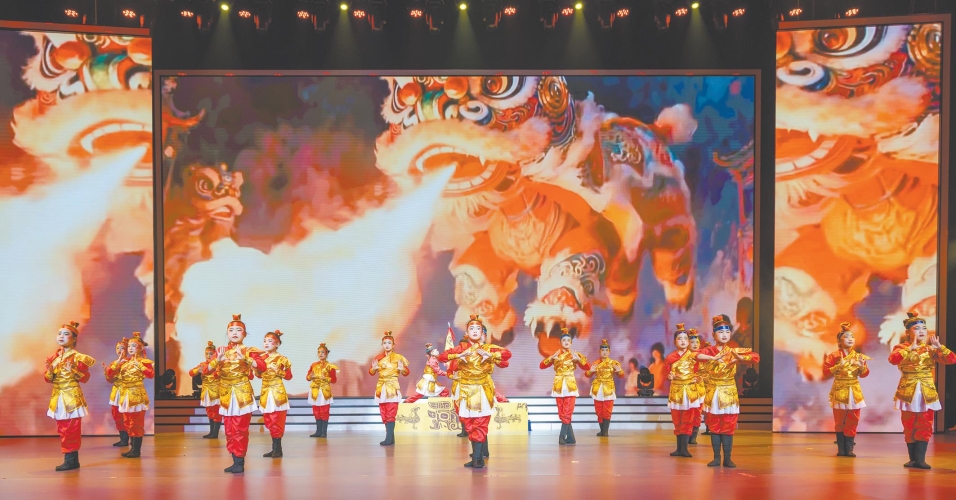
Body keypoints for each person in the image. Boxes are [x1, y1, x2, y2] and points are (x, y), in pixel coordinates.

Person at [438, 314, 512, 469]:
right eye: (472, 328)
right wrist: (459, 355)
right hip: (465, 391)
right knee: (469, 424)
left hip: (481, 389)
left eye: (478, 328)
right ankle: (476, 457)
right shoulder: (461, 349)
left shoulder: (487, 348)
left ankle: (478, 458)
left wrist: (491, 355)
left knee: (480, 423)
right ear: (467, 333)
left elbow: (507, 354)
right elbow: (442, 357)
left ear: (482, 332)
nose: (475, 331)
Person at [888, 311, 956, 469]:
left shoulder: (930, 349)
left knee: (925, 423)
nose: (921, 331)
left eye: (924, 328)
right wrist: (910, 349)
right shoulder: (901, 347)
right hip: (908, 390)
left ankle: (920, 459)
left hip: (926, 390)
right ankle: (912, 459)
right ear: (908, 332)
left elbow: (952, 359)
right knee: (909, 423)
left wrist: (940, 347)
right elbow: (893, 359)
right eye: (917, 328)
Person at [696, 315, 760, 468]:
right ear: (713, 335)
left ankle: (728, 458)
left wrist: (740, 359)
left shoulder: (732, 351)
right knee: (714, 426)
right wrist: (713, 359)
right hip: (714, 393)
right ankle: (716, 458)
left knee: (728, 426)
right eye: (720, 332)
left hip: (729, 393)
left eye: (727, 332)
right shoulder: (709, 351)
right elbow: (695, 355)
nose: (724, 335)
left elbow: (755, 357)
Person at [217, 314, 266, 473]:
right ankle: (235, 460)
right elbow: (210, 372)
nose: (235, 333)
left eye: (239, 330)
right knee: (229, 429)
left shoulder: (249, 351)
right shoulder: (221, 351)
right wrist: (217, 363)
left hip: (242, 393)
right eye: (231, 330)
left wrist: (246, 359)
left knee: (240, 429)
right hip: (226, 394)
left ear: (244, 334)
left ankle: (240, 461)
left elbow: (262, 366)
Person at [44, 321, 95, 471]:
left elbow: (85, 378)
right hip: (58, 396)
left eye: (66, 334)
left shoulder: (78, 357)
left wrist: (72, 371)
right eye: (59, 333)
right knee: (62, 429)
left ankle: (71, 460)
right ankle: (70, 460)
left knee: (71, 429)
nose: (61, 336)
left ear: (74, 339)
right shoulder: (54, 358)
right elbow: (48, 379)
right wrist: (50, 371)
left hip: (71, 396)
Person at [823, 322, 869, 458]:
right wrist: (838, 366)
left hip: (854, 390)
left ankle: (849, 449)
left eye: (852, 337)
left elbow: (864, 374)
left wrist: (862, 367)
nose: (850, 339)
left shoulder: (858, 356)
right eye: (846, 337)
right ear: (839, 341)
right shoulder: (833, 356)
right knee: (839, 420)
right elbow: (825, 372)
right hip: (839, 389)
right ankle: (841, 449)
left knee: (853, 419)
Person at [540, 328, 590, 445]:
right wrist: (550, 358)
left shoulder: (575, 355)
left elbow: (587, 367)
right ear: (560, 342)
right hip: (558, 386)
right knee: (562, 413)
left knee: (567, 412)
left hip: (570, 385)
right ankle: (571, 438)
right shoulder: (555, 355)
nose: (566, 342)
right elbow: (541, 366)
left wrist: (579, 360)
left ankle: (562, 436)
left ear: (571, 342)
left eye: (568, 340)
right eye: (564, 340)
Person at [109, 332, 154, 459]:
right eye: (129, 346)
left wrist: (140, 366)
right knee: (127, 422)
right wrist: (117, 362)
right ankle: (132, 448)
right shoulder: (125, 362)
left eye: (133, 346)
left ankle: (136, 450)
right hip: (125, 395)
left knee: (136, 422)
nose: (130, 348)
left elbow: (151, 375)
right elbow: (110, 374)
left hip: (137, 395)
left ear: (140, 348)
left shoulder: (145, 362)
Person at [665, 324, 702, 458]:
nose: (683, 341)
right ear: (674, 341)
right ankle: (678, 449)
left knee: (688, 419)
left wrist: (697, 378)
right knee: (677, 419)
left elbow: (701, 372)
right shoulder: (670, 358)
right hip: (676, 391)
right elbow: (667, 372)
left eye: (685, 338)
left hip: (689, 391)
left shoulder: (694, 356)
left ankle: (685, 449)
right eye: (679, 338)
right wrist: (669, 376)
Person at [369, 331, 410, 446]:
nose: (387, 345)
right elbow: (371, 372)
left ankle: (388, 439)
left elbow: (407, 372)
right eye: (384, 343)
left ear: (393, 345)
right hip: (381, 386)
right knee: (384, 412)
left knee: (391, 412)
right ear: (382, 344)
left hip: (392, 386)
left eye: (389, 343)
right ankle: (391, 438)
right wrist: (373, 369)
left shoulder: (398, 357)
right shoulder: (378, 357)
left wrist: (402, 369)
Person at [257, 330, 292, 458]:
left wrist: (278, 371)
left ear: (277, 344)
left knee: (277, 419)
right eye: (264, 341)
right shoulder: (261, 358)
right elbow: (259, 375)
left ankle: (278, 449)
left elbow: (289, 376)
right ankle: (274, 448)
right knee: (269, 419)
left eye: (269, 341)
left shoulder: (282, 359)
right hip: (266, 391)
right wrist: (255, 368)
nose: (266, 343)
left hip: (277, 391)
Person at [584, 339, 625, 437]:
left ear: (609, 352)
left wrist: (619, 371)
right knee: (598, 410)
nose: (605, 352)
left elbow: (621, 375)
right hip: (598, 388)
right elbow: (587, 374)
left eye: (606, 350)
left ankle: (605, 431)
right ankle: (601, 430)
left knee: (607, 410)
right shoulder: (596, 363)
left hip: (608, 388)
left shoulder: (613, 363)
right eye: (603, 350)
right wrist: (590, 371)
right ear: (599, 351)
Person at [188, 341, 222, 439]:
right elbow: (191, 373)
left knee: (216, 412)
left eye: (210, 354)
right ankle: (211, 432)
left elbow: (219, 375)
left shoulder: (218, 365)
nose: (208, 356)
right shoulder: (203, 364)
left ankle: (215, 433)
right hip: (206, 392)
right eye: (206, 354)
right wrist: (197, 370)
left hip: (216, 391)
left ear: (215, 354)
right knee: (209, 412)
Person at [306, 343, 338, 438]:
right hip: (315, 390)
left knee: (324, 411)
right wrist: (310, 376)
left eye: (322, 352)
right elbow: (307, 377)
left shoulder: (330, 366)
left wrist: (326, 378)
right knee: (316, 411)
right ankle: (318, 431)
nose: (320, 354)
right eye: (319, 352)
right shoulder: (313, 365)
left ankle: (324, 432)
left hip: (324, 390)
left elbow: (334, 380)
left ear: (326, 353)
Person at [103, 337, 129, 448]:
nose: (119, 350)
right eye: (117, 348)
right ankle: (123, 439)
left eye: (122, 348)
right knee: (117, 415)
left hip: (126, 391)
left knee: (126, 416)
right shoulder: (114, 362)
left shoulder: (129, 362)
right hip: (116, 391)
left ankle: (129, 438)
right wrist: (106, 371)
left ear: (127, 349)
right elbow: (110, 380)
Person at [447, 337, 470, 438]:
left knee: (468, 406)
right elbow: (449, 372)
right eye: (460, 346)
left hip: (469, 385)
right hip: (457, 385)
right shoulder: (455, 359)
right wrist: (453, 376)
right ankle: (464, 430)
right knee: (459, 406)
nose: (462, 348)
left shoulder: (472, 358)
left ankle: (469, 429)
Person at [688, 328, 707, 442]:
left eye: (697, 342)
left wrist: (700, 377)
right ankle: (686, 434)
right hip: (687, 388)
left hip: (699, 389)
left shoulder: (703, 357)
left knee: (697, 412)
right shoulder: (684, 357)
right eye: (692, 342)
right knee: (687, 412)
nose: (695, 344)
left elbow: (707, 373)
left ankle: (694, 435)